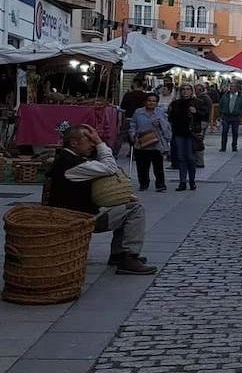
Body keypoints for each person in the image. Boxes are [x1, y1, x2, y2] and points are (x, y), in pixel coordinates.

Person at [47, 125, 157, 275]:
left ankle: (119, 255)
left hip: (73, 213)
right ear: (74, 143)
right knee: (135, 210)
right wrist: (100, 142)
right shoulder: (73, 164)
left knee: (127, 204)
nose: (92, 144)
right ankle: (129, 257)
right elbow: (111, 168)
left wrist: (120, 197)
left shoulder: (68, 159)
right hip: (79, 219)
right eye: (89, 140)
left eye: (93, 141)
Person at [128, 92, 170, 192]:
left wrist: (160, 123)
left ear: (157, 103)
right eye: (149, 101)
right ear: (145, 102)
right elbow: (133, 125)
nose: (151, 103)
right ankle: (143, 183)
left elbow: (167, 127)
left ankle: (160, 185)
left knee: (158, 166)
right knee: (142, 165)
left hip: (156, 143)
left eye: (154, 101)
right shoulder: (138, 112)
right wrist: (132, 135)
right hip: (141, 141)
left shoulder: (160, 112)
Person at [168, 84, 201, 191]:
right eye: (183, 90)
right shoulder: (176, 103)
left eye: (188, 89)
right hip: (179, 133)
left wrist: (196, 112)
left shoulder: (196, 102)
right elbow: (171, 117)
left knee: (190, 158)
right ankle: (182, 181)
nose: (185, 92)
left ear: (191, 91)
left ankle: (192, 181)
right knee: (181, 158)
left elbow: (204, 115)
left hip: (191, 134)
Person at [218, 82, 242, 152]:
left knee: (235, 132)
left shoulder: (241, 97)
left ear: (237, 88)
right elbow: (220, 105)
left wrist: (240, 115)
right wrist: (221, 114)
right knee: (224, 132)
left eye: (233, 87)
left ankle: (234, 146)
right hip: (226, 116)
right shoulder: (225, 96)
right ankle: (223, 147)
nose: (231, 88)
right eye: (231, 86)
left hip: (235, 117)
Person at [193, 84, 211, 168]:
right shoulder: (206, 97)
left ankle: (199, 161)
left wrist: (195, 111)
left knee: (198, 140)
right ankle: (198, 161)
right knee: (199, 140)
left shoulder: (202, 98)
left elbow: (204, 111)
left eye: (195, 90)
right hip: (204, 121)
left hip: (201, 121)